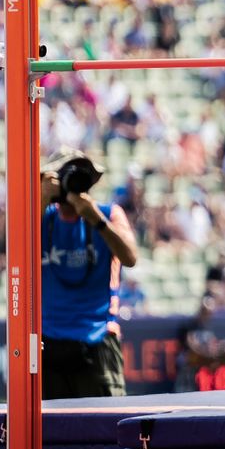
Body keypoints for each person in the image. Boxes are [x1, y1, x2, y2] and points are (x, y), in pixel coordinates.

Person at [40, 151, 140, 398]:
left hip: (98, 340)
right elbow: (12, 251)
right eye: (65, 175)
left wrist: (96, 219)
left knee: (105, 429)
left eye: (79, 175)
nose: (71, 182)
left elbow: (130, 257)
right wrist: (41, 198)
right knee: (49, 433)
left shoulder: (108, 213)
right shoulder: (40, 217)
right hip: (47, 343)